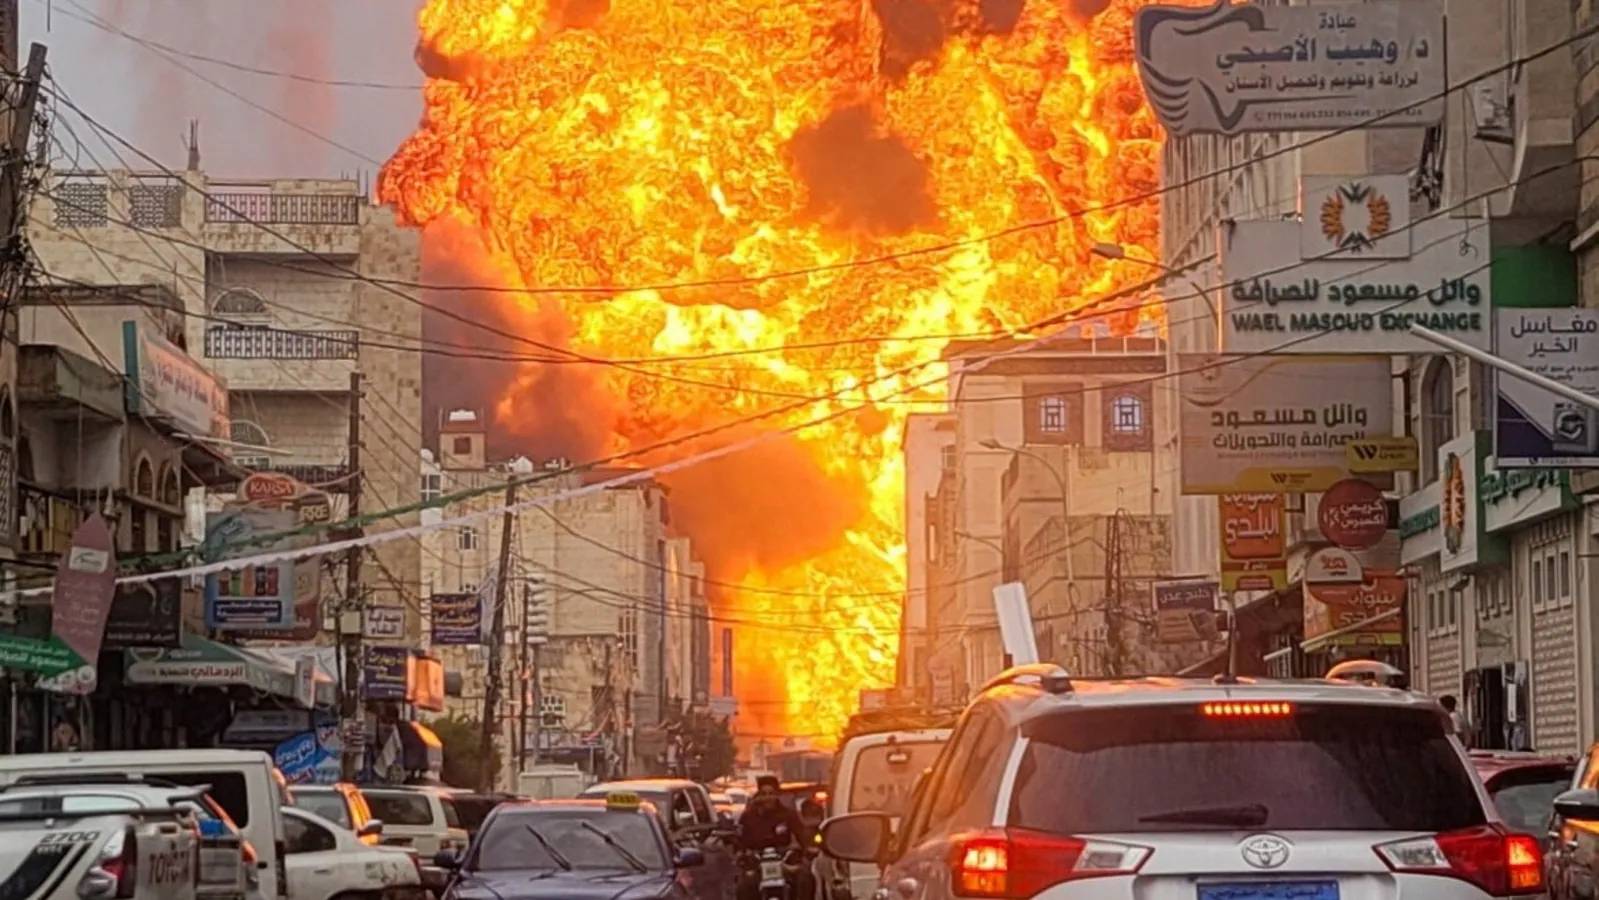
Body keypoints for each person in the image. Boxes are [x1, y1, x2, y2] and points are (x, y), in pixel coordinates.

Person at [737, 775, 808, 899]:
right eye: (764, 794)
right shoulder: (748, 816)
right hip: (757, 863)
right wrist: (741, 853)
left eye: (771, 793)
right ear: (759, 795)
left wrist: (806, 849)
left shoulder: (788, 815)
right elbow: (740, 840)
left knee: (805, 878)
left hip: (785, 862)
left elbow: (802, 836)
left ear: (777, 795)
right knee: (744, 885)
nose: (768, 797)